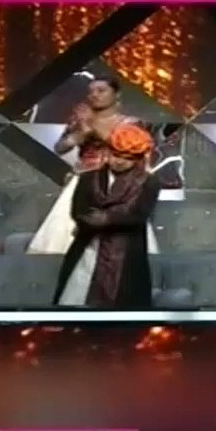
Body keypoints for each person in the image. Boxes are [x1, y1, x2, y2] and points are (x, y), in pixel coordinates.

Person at [28, 76, 155, 254]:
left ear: (117, 94)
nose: (94, 95)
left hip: (116, 183)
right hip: (83, 181)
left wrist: (92, 125)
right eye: (91, 92)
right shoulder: (80, 120)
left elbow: (123, 146)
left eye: (101, 91)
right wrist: (79, 135)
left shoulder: (131, 123)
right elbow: (60, 147)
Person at [55, 123, 162, 308]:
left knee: (120, 302)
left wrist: (107, 219)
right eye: (116, 154)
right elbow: (78, 210)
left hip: (125, 251)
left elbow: (139, 215)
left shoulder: (148, 182)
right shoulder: (88, 178)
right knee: (75, 297)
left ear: (137, 158)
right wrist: (90, 220)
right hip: (88, 246)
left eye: (127, 157)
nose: (119, 161)